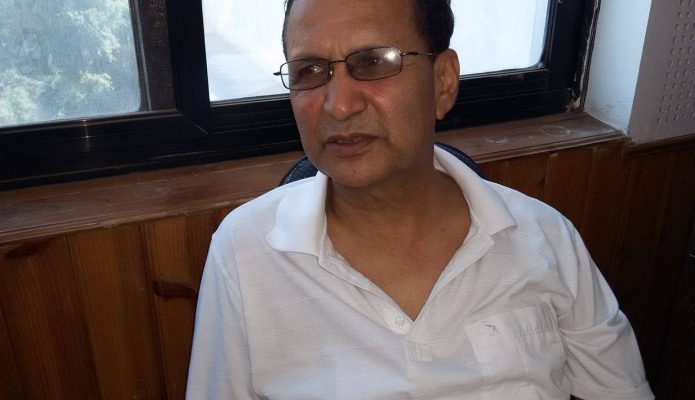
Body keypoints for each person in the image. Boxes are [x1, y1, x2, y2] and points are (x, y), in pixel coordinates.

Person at [186, 0, 655, 398]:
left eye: (373, 61)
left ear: (443, 81)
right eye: (310, 71)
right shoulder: (245, 252)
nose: (339, 105)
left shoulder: (545, 236)